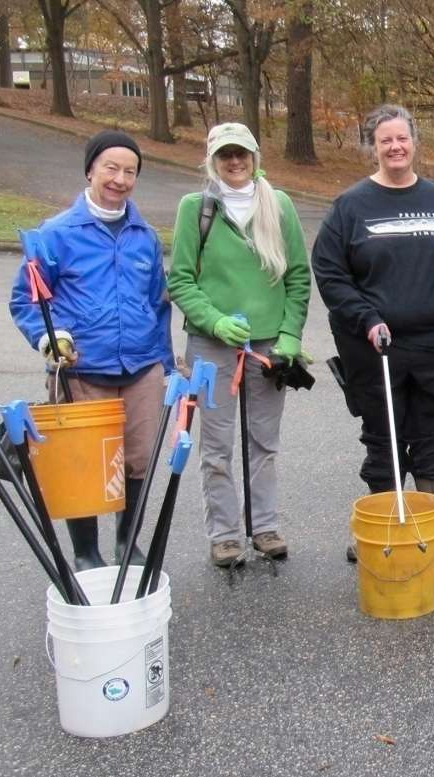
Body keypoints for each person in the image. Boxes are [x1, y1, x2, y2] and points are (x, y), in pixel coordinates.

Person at [312, 105, 434, 568]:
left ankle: (433, 536)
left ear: (414, 143)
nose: (395, 147)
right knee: (384, 437)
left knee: (433, 437)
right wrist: (365, 317)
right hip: (375, 348)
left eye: (402, 139)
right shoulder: (351, 207)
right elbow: (329, 273)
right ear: (373, 147)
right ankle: (385, 532)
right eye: (385, 140)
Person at [10, 130, 174, 570]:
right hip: (84, 370)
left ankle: (127, 543)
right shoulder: (57, 234)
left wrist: (167, 366)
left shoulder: (145, 236)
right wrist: (49, 337)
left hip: (142, 368)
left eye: (130, 171)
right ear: (90, 170)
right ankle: (86, 553)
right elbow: (26, 300)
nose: (120, 179)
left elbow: (158, 305)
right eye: (111, 168)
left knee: (138, 461)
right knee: (82, 466)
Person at [167, 122, 311, 567]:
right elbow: (181, 279)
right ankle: (225, 534)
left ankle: (264, 526)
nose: (234, 162)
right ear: (212, 159)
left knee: (264, 441)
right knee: (216, 445)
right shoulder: (196, 209)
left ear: (254, 157)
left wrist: (289, 336)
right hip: (211, 345)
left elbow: (298, 278)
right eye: (225, 155)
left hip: (269, 346)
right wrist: (214, 320)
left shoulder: (279, 205)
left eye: (242, 154)